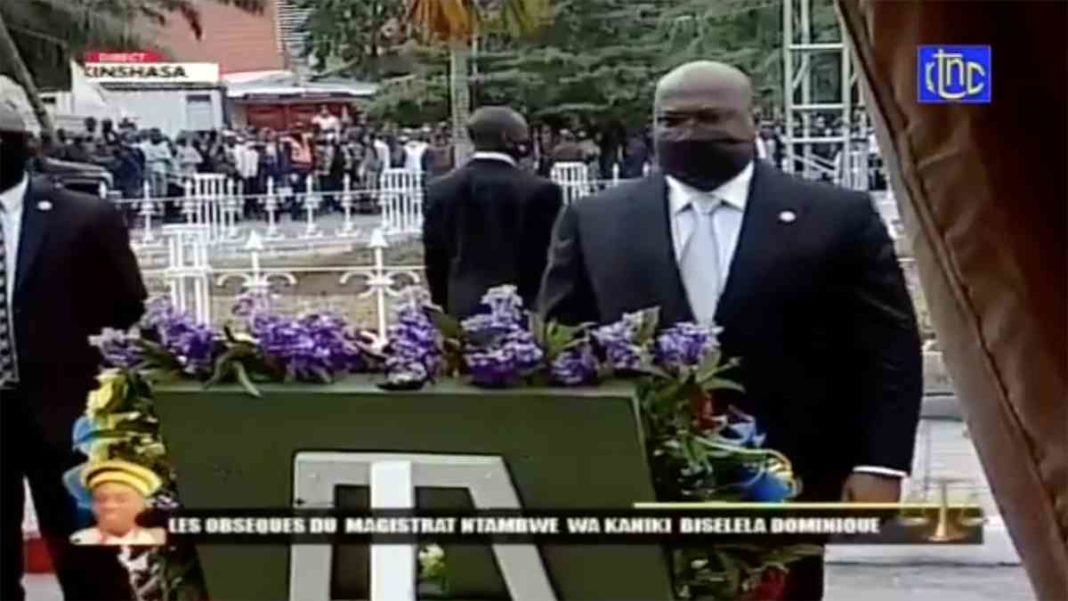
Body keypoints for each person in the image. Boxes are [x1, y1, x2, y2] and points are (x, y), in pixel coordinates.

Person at [538, 61, 922, 600]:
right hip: (637, 469)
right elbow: (561, 340)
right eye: (672, 121)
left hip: (791, 472)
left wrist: (880, 463)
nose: (690, 133)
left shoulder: (836, 216)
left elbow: (888, 349)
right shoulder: (596, 219)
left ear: (751, 120)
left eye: (710, 117)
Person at [0, 102, 147, 599]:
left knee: (86, 559)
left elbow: (126, 305)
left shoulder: (83, 218)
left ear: (20, 146)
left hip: (61, 416)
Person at [424, 106, 564, 318]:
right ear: (507, 138)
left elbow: (435, 257)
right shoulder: (541, 190)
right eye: (523, 135)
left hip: (461, 306)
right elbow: (548, 257)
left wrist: (444, 304)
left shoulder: (440, 189)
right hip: (525, 306)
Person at [69, 460, 166, 547]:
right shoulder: (79, 541)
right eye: (101, 499)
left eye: (122, 499)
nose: (109, 506)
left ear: (142, 505)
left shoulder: (155, 539)